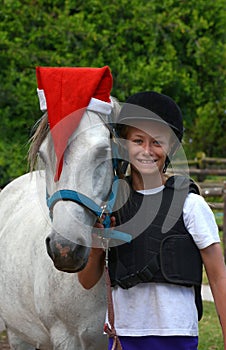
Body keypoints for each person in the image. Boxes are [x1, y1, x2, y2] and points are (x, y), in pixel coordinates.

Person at [78, 91, 226, 350]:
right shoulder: (111, 207)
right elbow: (87, 280)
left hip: (176, 334)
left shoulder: (190, 205)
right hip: (124, 336)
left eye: (157, 142)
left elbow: (218, 277)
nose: (147, 150)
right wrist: (95, 248)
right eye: (138, 140)